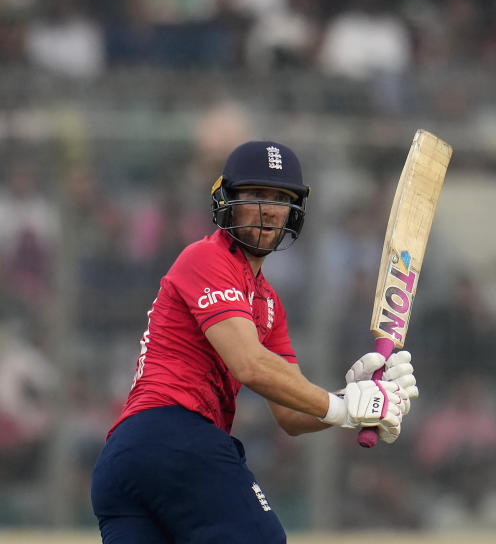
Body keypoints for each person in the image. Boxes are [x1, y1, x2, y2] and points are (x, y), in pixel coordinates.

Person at [90, 140, 419, 543]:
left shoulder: (269, 305)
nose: (267, 210)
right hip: (170, 435)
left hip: (134, 462)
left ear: (293, 213)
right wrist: (344, 407)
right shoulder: (206, 258)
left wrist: (356, 397)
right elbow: (249, 364)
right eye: (255, 195)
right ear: (226, 201)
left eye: (280, 198)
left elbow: (290, 416)